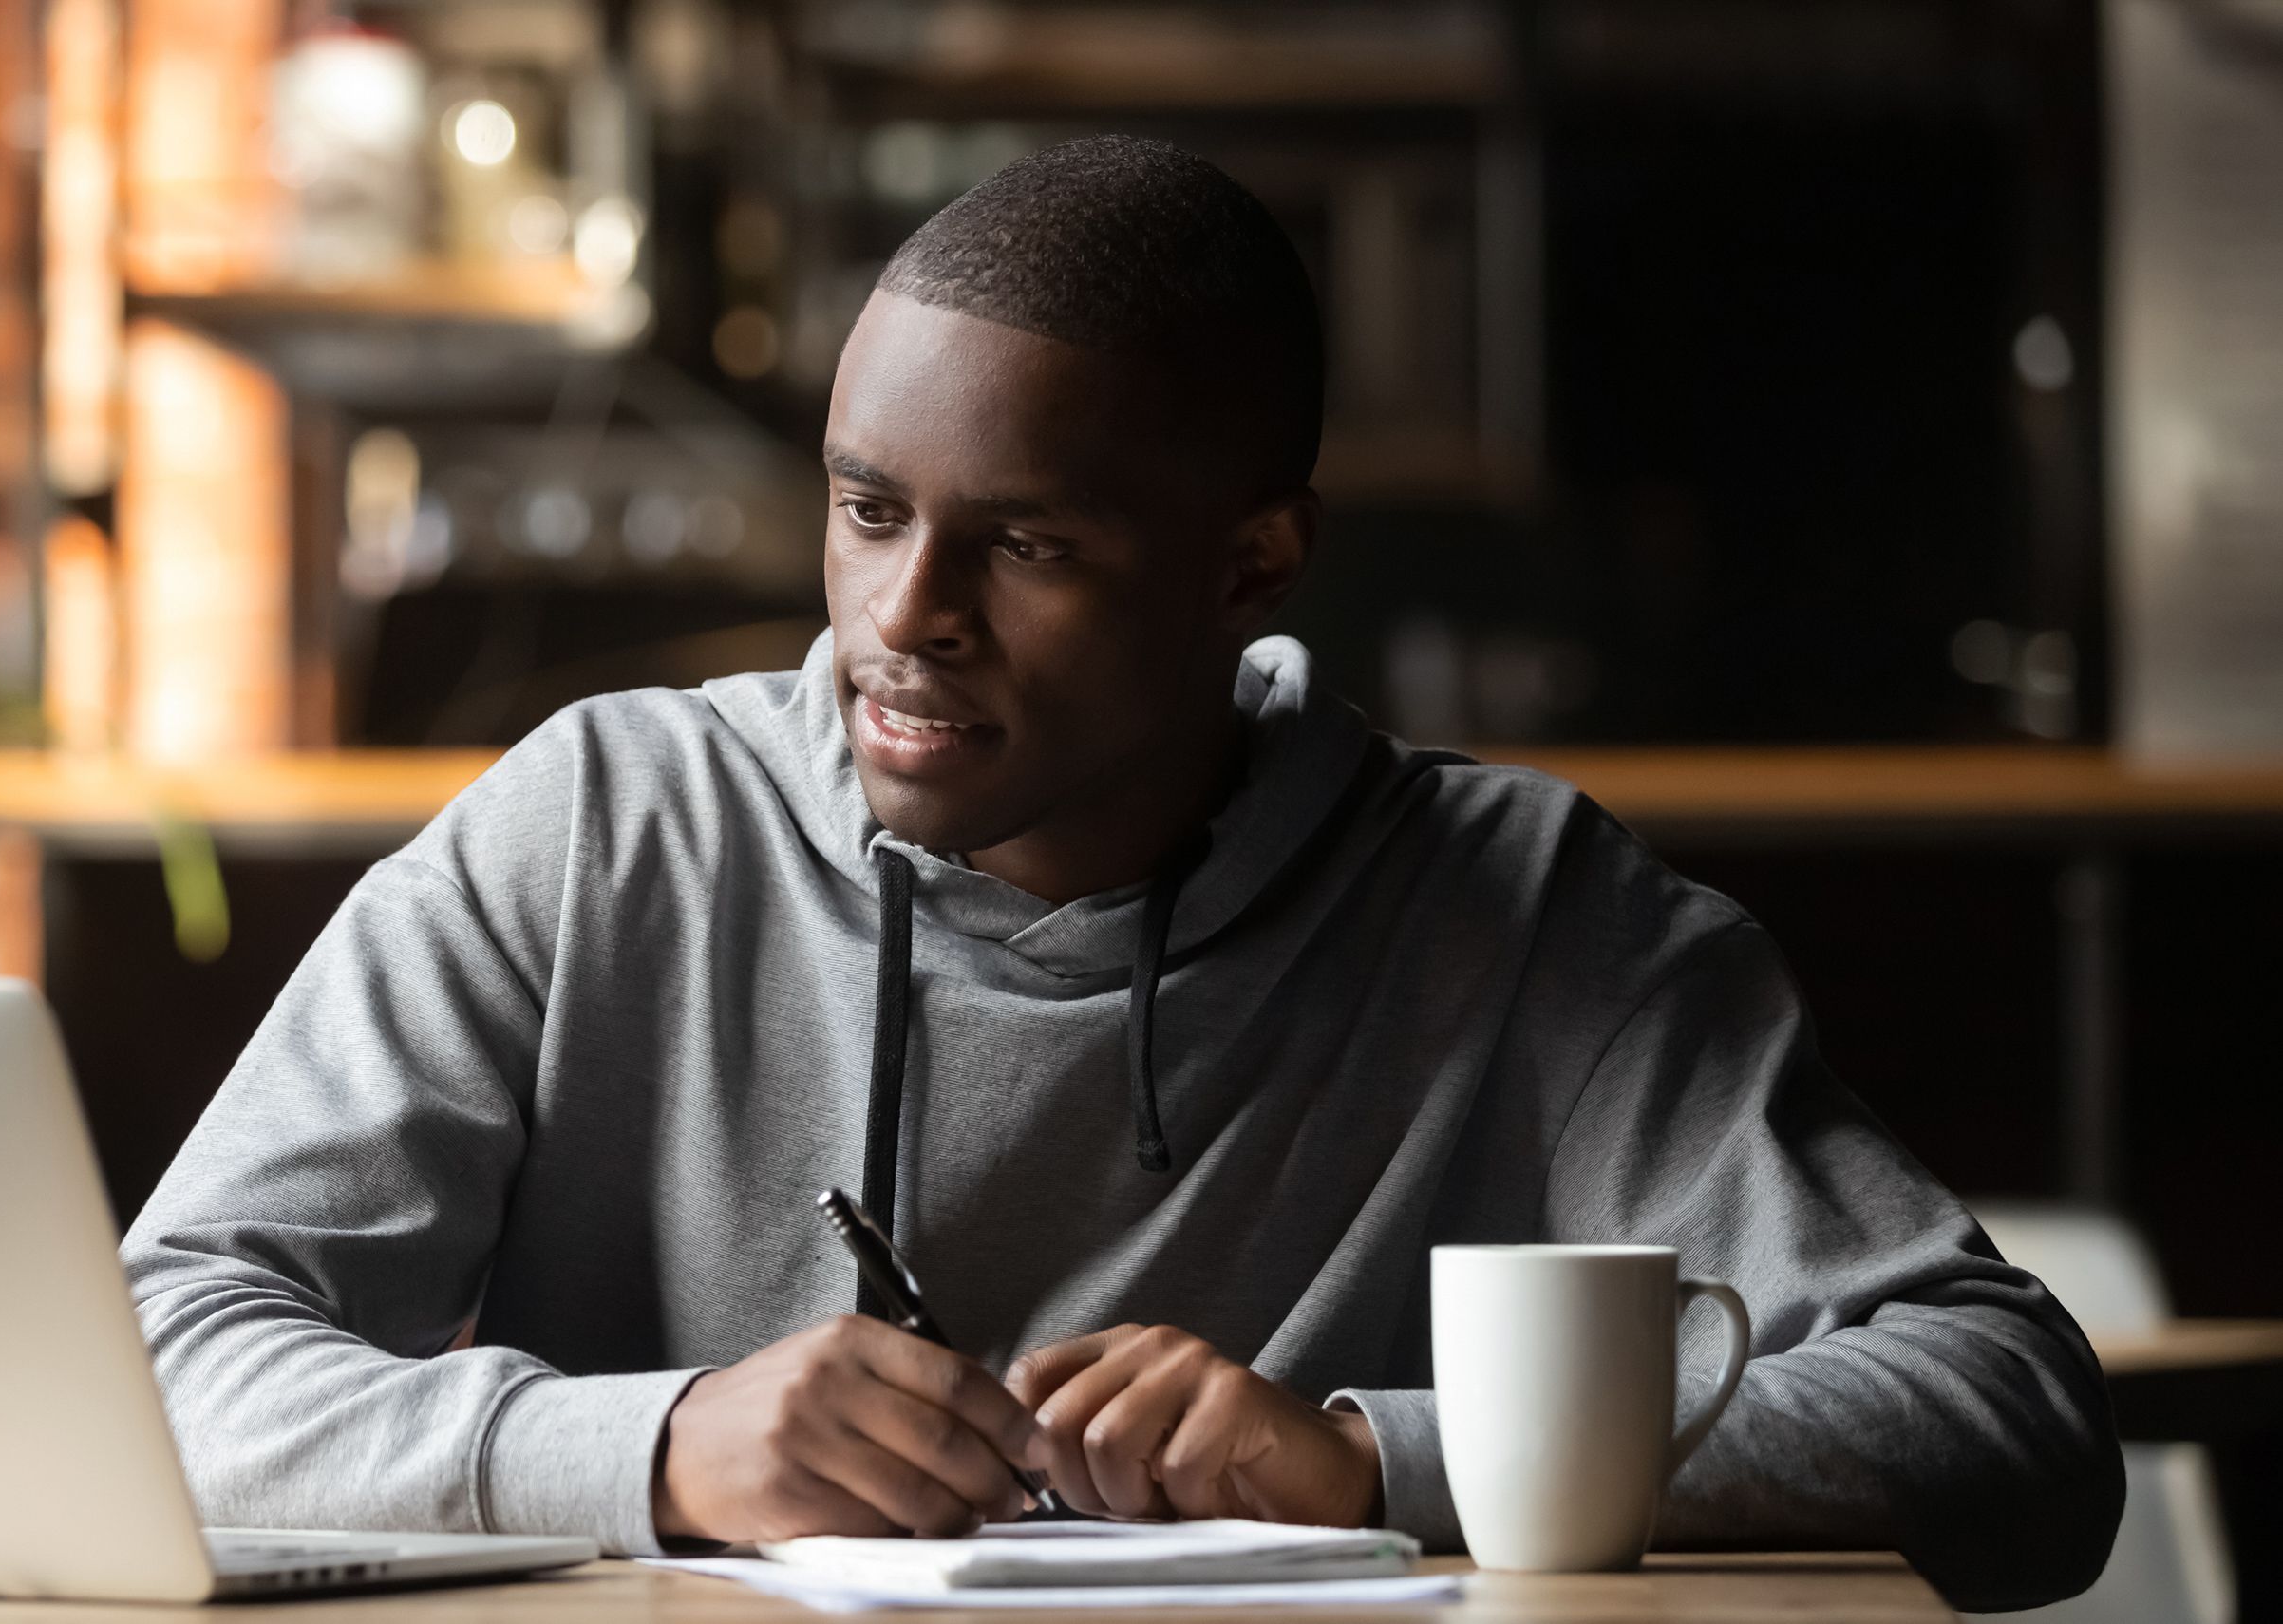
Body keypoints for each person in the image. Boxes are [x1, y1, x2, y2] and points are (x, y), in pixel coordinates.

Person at [122, 135, 2121, 1611]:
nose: (907, 617)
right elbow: (159, 1361)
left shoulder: (1524, 918)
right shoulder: (600, 828)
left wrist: (1365, 1463)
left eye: (1031, 545)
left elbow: (2012, 1426)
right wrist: (651, 1446)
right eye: (867, 511)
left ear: (1251, 561)